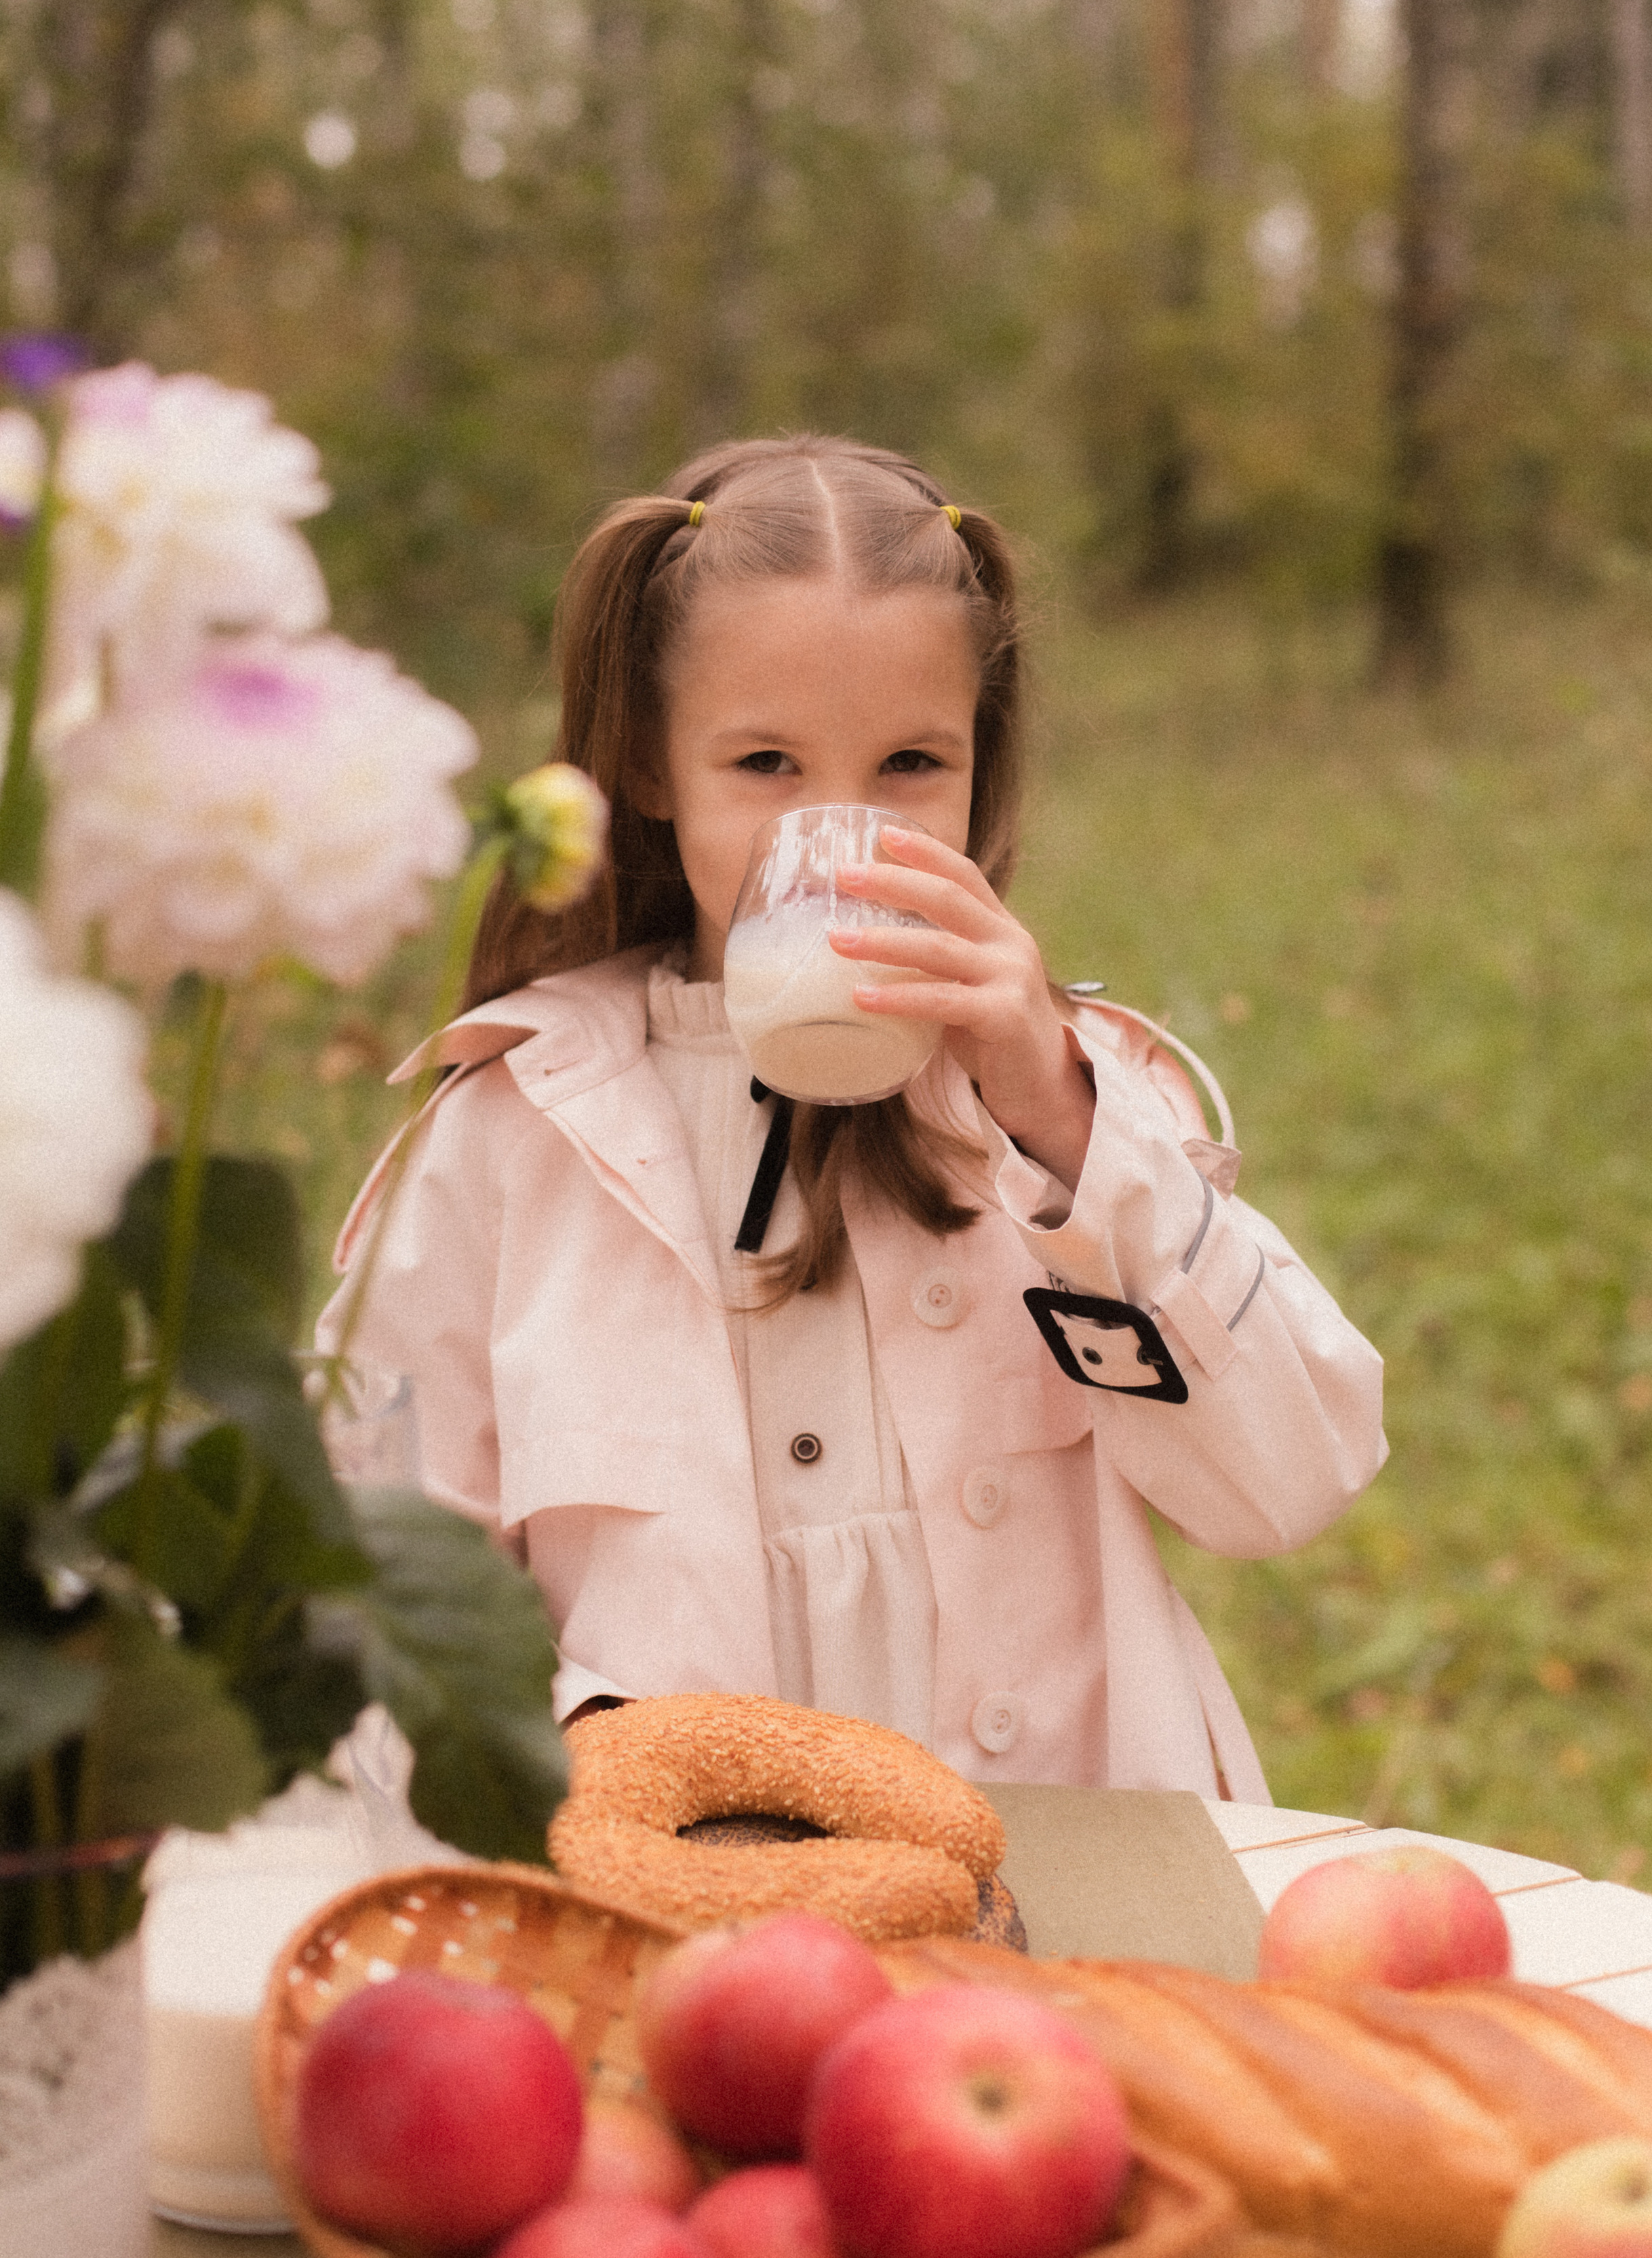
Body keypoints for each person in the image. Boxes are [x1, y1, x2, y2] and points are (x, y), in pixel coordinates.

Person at [319, 435, 1383, 1799]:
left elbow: (1290, 1483)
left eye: (907, 766)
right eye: (764, 761)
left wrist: (1062, 1122)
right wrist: (592, 1747)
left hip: (1065, 1911)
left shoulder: (1084, 1101)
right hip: (679, 1916)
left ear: (978, 767)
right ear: (649, 764)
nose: (842, 829)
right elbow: (381, 1576)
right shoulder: (506, 1133)